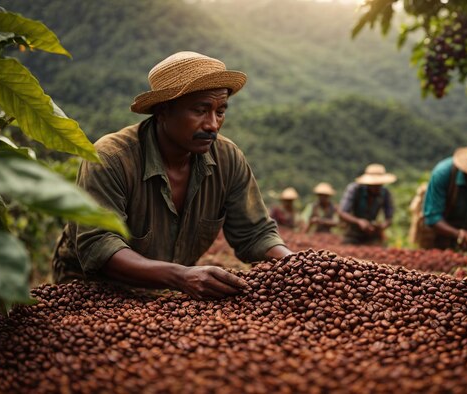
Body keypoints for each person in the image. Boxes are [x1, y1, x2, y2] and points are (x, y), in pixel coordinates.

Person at [51, 51, 292, 299]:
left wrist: (296, 265)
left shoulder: (228, 159)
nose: (212, 125)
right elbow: (100, 245)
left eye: (220, 111)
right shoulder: (112, 158)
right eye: (200, 110)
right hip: (92, 285)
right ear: (163, 111)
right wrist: (181, 276)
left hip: (168, 287)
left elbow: (255, 233)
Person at [338, 164, 396, 245]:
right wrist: (359, 221)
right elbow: (342, 212)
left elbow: (389, 217)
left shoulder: (385, 192)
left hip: (373, 232)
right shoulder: (355, 189)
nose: (377, 187)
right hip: (353, 232)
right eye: (374, 185)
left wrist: (382, 226)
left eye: (379, 184)